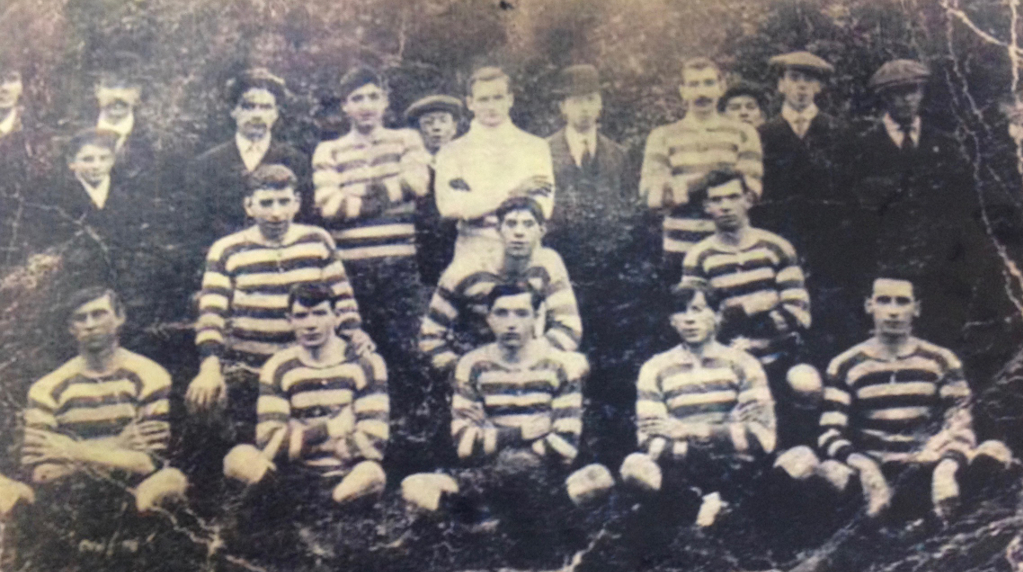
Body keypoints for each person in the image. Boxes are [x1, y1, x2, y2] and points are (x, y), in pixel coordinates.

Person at [185, 164, 370, 498]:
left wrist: (355, 333)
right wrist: (210, 366)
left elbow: (343, 301)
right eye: (266, 203)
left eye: (283, 202)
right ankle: (258, 492)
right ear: (249, 206)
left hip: (307, 371)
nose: (276, 213)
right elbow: (212, 313)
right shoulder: (228, 249)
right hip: (251, 372)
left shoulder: (317, 241)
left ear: (297, 202)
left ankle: (320, 490)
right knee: (230, 434)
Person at [403, 283, 610, 568]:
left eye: (521, 314)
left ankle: (494, 531)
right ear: (488, 318)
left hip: (547, 474)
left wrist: (494, 437)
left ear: (537, 318)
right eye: (502, 313)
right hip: (489, 474)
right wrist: (521, 433)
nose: (511, 323)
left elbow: (565, 445)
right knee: (415, 487)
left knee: (595, 478)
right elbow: (464, 444)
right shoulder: (472, 365)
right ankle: (518, 529)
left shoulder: (560, 365)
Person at [777, 277, 1013, 525]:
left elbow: (961, 425)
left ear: (916, 308)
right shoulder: (846, 364)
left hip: (927, 468)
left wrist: (946, 468)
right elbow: (829, 432)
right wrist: (865, 466)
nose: (893, 311)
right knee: (814, 468)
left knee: (995, 451)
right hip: (874, 474)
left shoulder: (941, 360)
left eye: (902, 302)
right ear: (869, 306)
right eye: (884, 301)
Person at [14, 287, 188, 571]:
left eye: (99, 314)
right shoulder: (49, 387)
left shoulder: (149, 376)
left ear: (119, 318)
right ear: (72, 328)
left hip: (132, 492)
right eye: (81, 318)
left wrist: (71, 450)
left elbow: (147, 462)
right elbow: (41, 472)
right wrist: (118, 446)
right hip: (73, 497)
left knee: (169, 481)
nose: (90, 324)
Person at [311, 67, 431, 473]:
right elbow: (330, 208)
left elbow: (419, 183)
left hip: (399, 269)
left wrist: (357, 199)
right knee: (355, 355)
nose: (365, 106)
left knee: (410, 355)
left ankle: (409, 456)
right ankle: (354, 451)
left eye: (372, 96)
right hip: (352, 273)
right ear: (345, 105)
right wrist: (389, 191)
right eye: (356, 98)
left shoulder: (408, 139)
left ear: (385, 101)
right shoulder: (328, 150)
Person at [221, 283, 389, 563]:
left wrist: (298, 436)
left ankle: (326, 512)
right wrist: (331, 429)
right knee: (238, 457)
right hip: (290, 477)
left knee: (371, 473)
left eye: (320, 314)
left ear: (336, 317)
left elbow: (372, 444)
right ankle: (289, 514)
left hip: (343, 475)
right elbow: (268, 444)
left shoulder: (366, 364)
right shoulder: (279, 366)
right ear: (289, 320)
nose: (310, 324)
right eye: (301, 316)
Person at [544, 63, 640, 468]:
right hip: (564, 275)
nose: (584, 108)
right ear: (563, 106)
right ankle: (567, 448)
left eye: (590, 99)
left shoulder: (619, 155)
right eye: (575, 100)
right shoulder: (543, 151)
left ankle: (613, 450)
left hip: (609, 278)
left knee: (609, 364)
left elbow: (631, 216)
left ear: (600, 104)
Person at [620, 279, 775, 528]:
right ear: (671, 320)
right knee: (636, 467)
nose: (689, 319)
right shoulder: (655, 368)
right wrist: (723, 435)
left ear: (716, 315)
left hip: (737, 471)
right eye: (681, 311)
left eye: (698, 309)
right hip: (682, 475)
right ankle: (704, 505)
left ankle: (714, 508)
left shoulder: (744, 363)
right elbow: (650, 441)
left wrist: (690, 431)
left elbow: (761, 436)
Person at [847, 59, 977, 351]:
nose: (906, 99)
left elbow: (962, 208)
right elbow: (852, 215)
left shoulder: (946, 145)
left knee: (939, 343)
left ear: (922, 93)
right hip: (883, 266)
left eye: (913, 90)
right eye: (897, 93)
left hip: (938, 266)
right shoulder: (858, 147)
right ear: (884, 98)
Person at [681, 168, 816, 449]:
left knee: (806, 384)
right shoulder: (699, 257)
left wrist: (752, 336)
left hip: (779, 356)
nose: (725, 206)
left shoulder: (776, 247)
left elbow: (799, 313)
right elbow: (696, 320)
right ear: (707, 207)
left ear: (749, 199)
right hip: (730, 361)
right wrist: (752, 306)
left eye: (733, 197)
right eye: (717, 200)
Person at [756, 51, 861, 361]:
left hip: (829, 248)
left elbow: (850, 197)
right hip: (780, 242)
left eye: (809, 81)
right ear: (780, 86)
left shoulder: (841, 132)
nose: (801, 87)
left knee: (830, 324)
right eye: (794, 79)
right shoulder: (761, 135)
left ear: (819, 88)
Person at [419, 196, 582, 377]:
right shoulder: (465, 270)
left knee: (576, 365)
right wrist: (465, 371)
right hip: (479, 367)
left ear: (541, 231)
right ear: (498, 230)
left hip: (532, 368)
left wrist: (530, 362)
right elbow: (430, 337)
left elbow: (569, 328)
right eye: (511, 224)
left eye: (528, 224)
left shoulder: (548, 263)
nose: (519, 233)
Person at [639, 57, 763, 283]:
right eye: (694, 85)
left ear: (721, 87)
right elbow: (652, 197)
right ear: (682, 91)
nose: (701, 92)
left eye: (708, 83)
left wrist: (680, 189)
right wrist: (706, 182)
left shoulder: (744, 133)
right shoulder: (662, 136)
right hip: (679, 247)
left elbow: (750, 192)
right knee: (686, 316)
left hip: (730, 246)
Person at [434, 66, 555, 261]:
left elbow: (543, 207)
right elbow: (450, 206)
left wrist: (478, 202)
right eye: (483, 99)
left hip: (524, 255)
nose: (491, 106)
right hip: (473, 253)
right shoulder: (451, 152)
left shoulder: (535, 147)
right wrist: (514, 193)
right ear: (470, 103)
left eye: (498, 98)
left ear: (510, 99)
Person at [190, 68, 310, 249]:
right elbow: (197, 229)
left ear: (276, 113)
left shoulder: (295, 161)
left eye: (265, 107)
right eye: (248, 106)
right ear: (233, 111)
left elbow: (305, 222)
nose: (257, 115)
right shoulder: (207, 164)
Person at [405, 94, 463, 286]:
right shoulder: (412, 167)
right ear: (419, 131)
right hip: (423, 251)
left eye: (443, 121)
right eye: (429, 123)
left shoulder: (466, 164)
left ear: (454, 127)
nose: (436, 128)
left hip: (461, 245)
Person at [92, 53, 155, 182]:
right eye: (110, 86)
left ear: (138, 92)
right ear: (97, 90)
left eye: (126, 87)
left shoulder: (153, 140)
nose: (118, 95)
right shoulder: (74, 135)